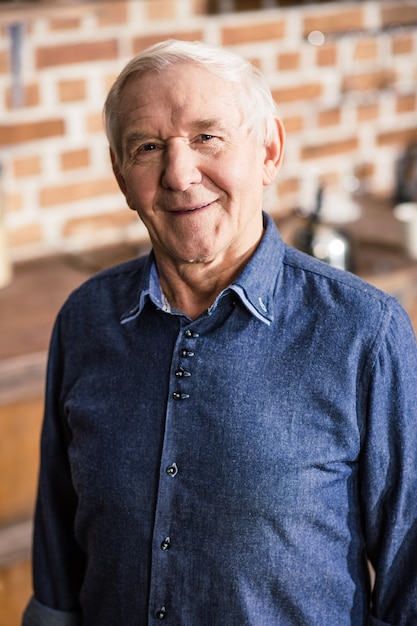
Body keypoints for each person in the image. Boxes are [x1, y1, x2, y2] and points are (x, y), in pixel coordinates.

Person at [23, 39, 417, 626]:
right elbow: (58, 548)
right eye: (148, 147)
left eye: (207, 137)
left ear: (268, 151)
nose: (179, 175)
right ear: (121, 175)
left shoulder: (364, 331)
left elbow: (409, 570)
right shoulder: (86, 319)